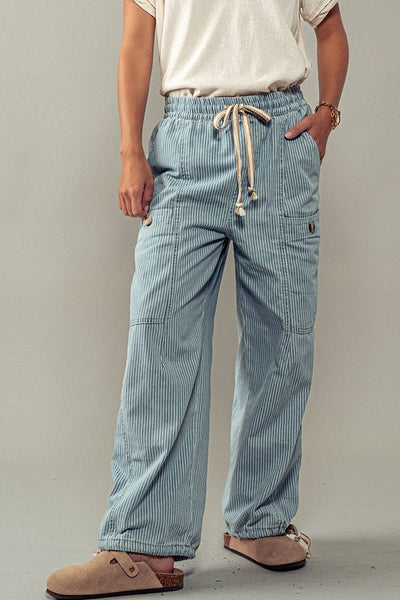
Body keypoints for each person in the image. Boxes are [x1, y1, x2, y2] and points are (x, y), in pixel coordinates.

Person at [46, 0, 349, 597]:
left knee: (282, 340)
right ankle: (142, 543)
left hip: (280, 140)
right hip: (186, 144)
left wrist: (327, 114)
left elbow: (332, 29)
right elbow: (136, 46)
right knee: (161, 341)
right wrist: (131, 151)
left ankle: (259, 520)